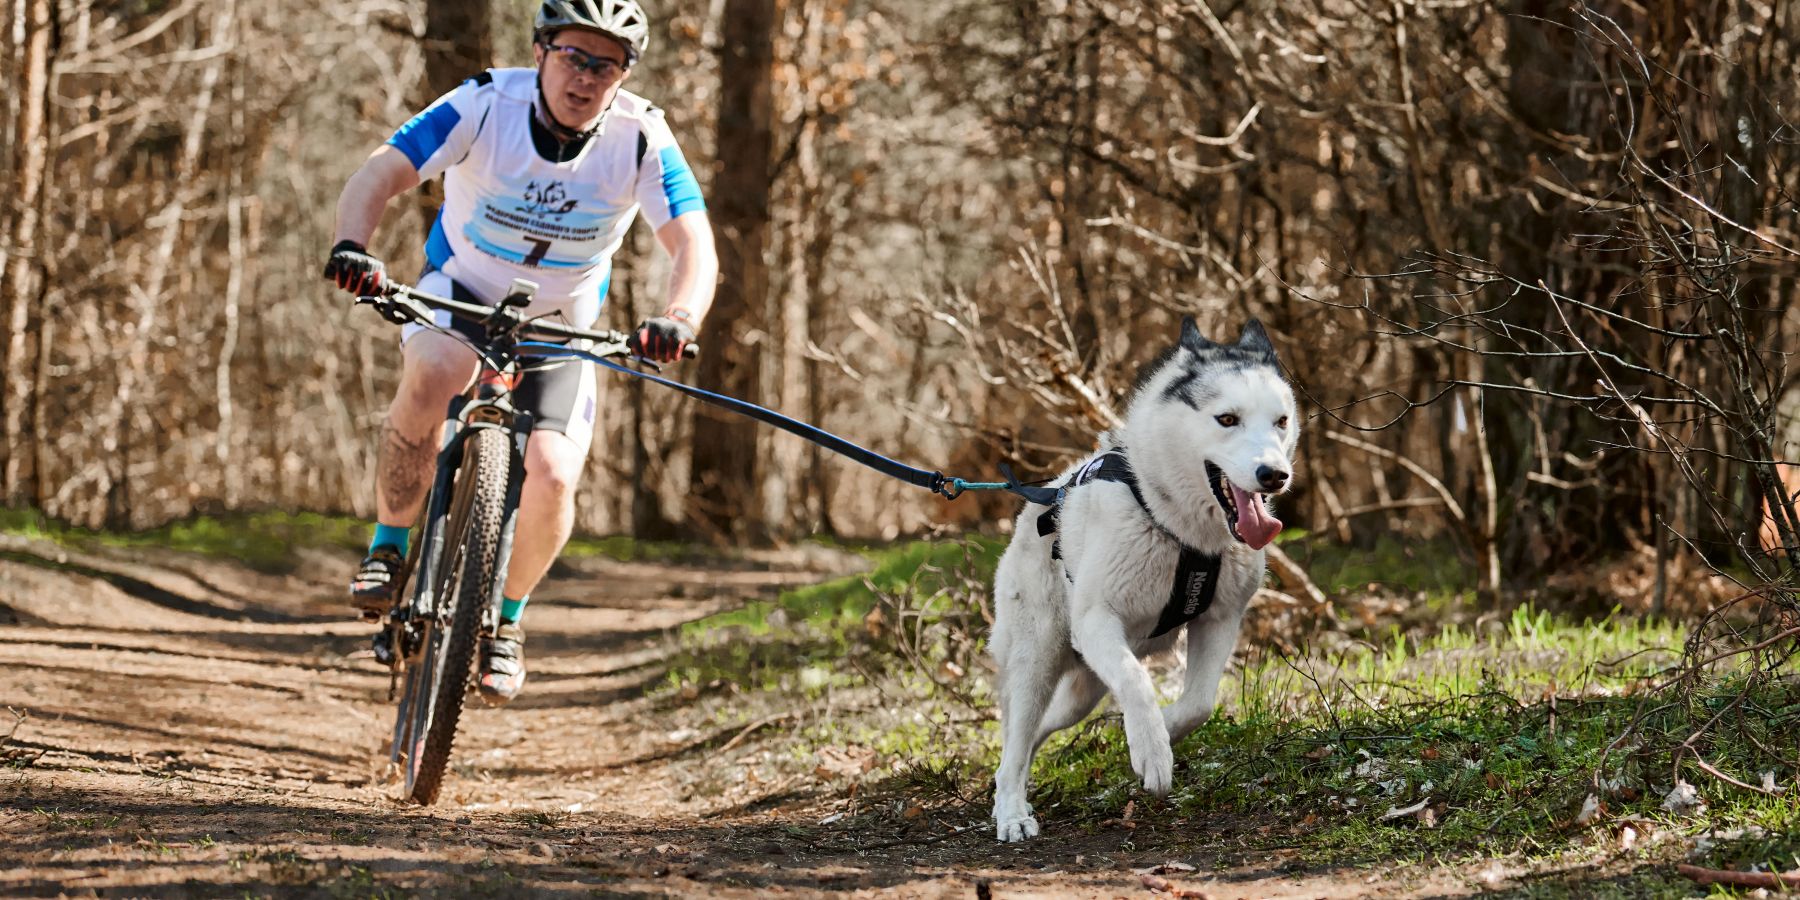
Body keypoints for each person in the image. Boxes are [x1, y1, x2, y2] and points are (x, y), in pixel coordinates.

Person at [322, 0, 716, 703]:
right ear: (540, 50)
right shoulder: (483, 102)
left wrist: (679, 316)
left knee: (556, 472)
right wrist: (354, 247)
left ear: (624, 74)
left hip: (561, 321)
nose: (588, 77)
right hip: (461, 290)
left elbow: (693, 242)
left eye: (608, 65)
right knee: (438, 370)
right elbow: (384, 169)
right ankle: (388, 545)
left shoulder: (641, 137)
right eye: (574, 56)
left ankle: (504, 622)